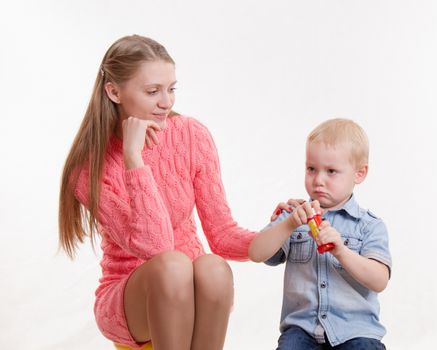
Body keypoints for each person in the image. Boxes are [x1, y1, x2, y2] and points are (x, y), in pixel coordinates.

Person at [58, 34, 294, 350]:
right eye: (153, 91)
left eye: (171, 89)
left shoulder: (191, 134)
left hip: (191, 293)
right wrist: (133, 158)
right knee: (173, 265)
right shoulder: (88, 168)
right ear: (114, 91)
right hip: (131, 298)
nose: (166, 102)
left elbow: (222, 234)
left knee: (213, 267)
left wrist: (283, 227)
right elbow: (156, 247)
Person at [249, 118, 392, 350]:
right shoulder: (294, 215)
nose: (318, 180)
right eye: (311, 169)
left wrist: (342, 251)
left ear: (359, 173)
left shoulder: (368, 225)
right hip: (302, 330)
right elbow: (256, 252)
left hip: (356, 331)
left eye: (331, 171)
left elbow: (379, 280)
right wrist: (287, 224)